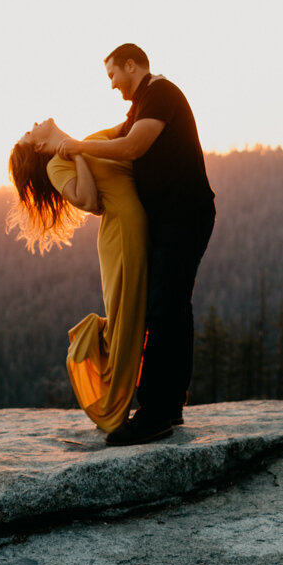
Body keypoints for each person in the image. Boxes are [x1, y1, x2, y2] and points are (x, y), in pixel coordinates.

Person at [57, 44, 215, 446]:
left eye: (112, 75)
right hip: (170, 219)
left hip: (184, 215)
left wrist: (76, 146)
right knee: (174, 307)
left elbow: (132, 147)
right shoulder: (143, 102)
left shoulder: (161, 93)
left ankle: (155, 416)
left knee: (163, 308)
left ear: (131, 65)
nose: (112, 85)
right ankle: (171, 407)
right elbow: (118, 140)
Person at [8, 118, 147, 436]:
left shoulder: (89, 139)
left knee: (138, 313)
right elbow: (88, 200)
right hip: (122, 235)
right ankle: (112, 407)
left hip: (137, 227)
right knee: (127, 317)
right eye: (29, 133)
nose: (32, 124)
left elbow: (127, 131)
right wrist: (78, 153)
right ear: (40, 147)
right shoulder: (57, 165)